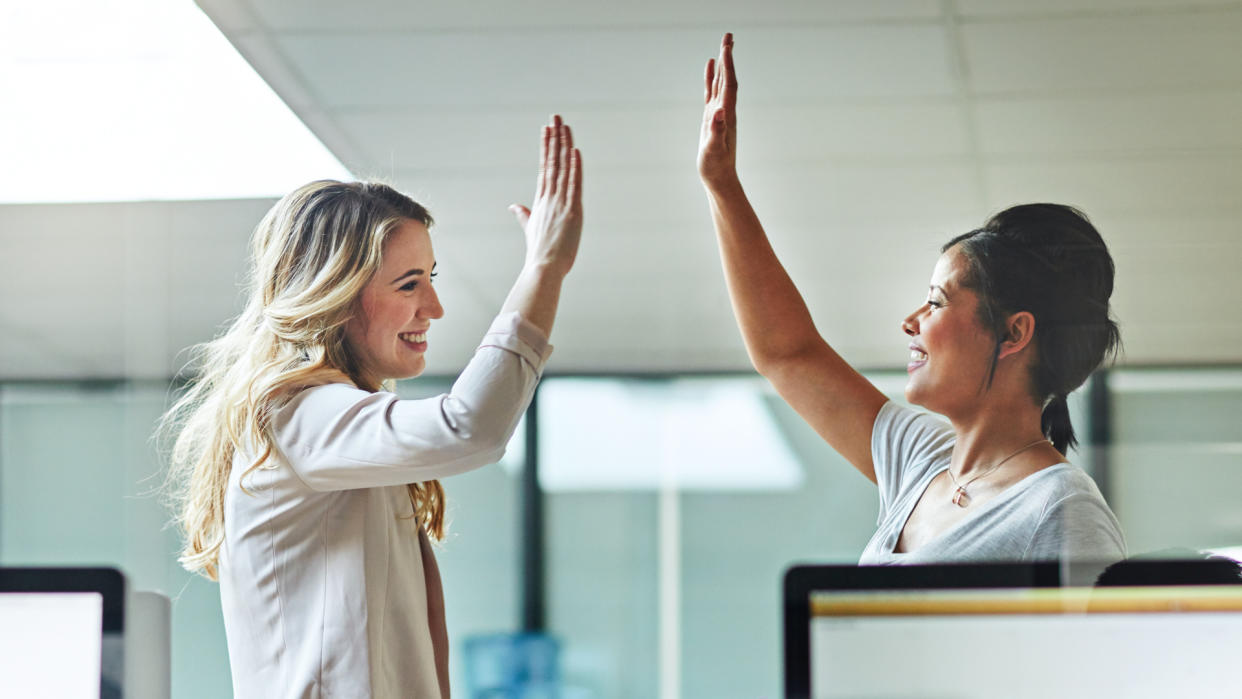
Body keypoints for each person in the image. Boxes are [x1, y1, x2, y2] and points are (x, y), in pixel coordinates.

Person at [162, 116, 583, 697]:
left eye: (430, 278)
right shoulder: (299, 416)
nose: (433, 306)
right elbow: (471, 427)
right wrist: (544, 271)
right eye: (409, 284)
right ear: (334, 296)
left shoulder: (335, 425)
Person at [696, 34, 1125, 564]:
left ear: (1014, 333)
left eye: (937, 302)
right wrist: (722, 186)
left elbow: (1100, 648)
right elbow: (787, 354)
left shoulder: (1060, 509)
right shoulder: (922, 458)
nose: (911, 322)